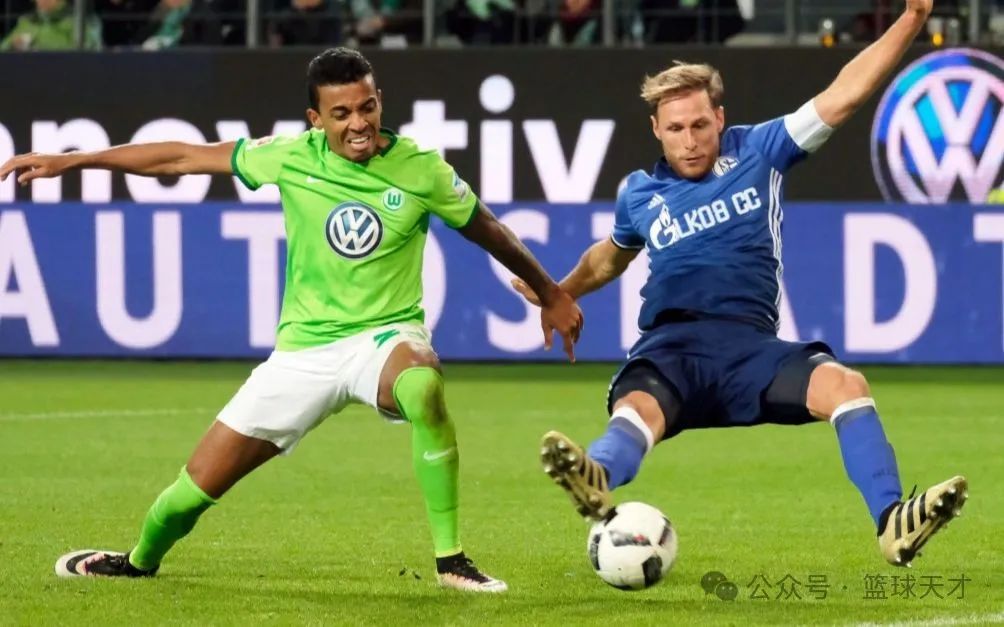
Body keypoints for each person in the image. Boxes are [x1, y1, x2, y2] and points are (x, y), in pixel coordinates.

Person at [0, 47, 583, 592]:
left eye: (367, 107)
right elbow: (180, 157)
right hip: (303, 354)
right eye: (341, 114)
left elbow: (488, 229)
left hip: (384, 338)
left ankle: (451, 560)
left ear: (380, 101)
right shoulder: (288, 156)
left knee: (423, 384)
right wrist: (75, 160)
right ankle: (137, 561)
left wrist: (550, 291)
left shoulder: (421, 168)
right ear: (315, 119)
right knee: (192, 491)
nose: (359, 123)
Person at [513, 0, 966, 568]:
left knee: (846, 386)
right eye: (675, 129)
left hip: (750, 349)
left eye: (700, 125)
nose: (690, 140)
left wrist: (912, 18)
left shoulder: (761, 150)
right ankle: (596, 477)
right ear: (656, 130)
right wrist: (560, 292)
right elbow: (609, 257)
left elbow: (844, 95)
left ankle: (893, 520)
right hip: (672, 348)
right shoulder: (639, 193)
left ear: (719, 119)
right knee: (637, 410)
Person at [0, 0, 102, 51]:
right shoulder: (27, 21)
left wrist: (38, 45)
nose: (43, 1)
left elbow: (89, 48)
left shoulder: (79, 21)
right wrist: (12, 45)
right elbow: (3, 48)